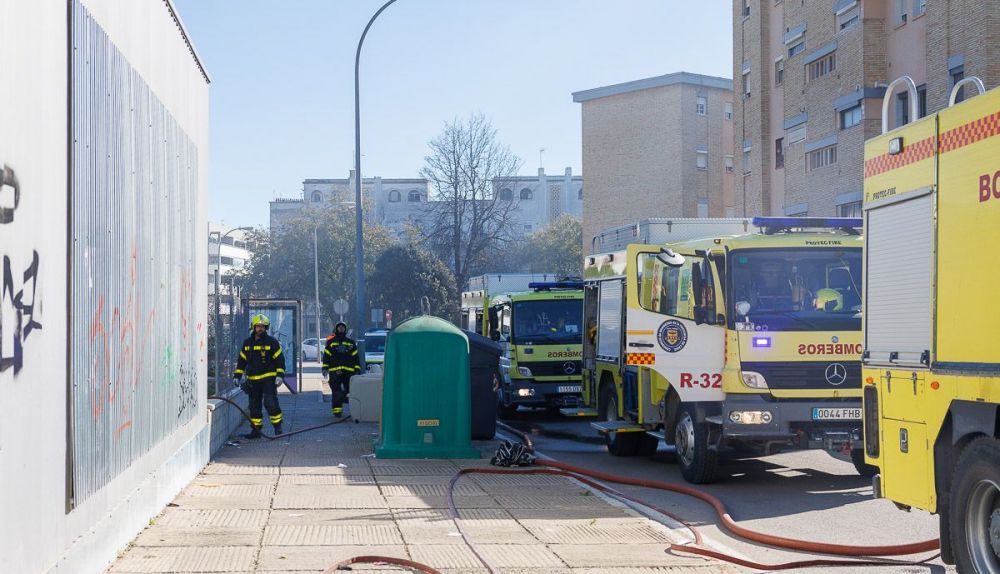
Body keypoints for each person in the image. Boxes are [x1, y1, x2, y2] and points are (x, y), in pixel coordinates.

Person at [233, 314, 285, 438]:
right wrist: (237, 376)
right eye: (258, 326)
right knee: (254, 406)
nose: (260, 329)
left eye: (263, 326)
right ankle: (256, 431)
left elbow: (280, 360)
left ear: (266, 327)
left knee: (270, 403)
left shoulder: (272, 342)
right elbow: (242, 361)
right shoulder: (247, 343)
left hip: (268, 379)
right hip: (253, 380)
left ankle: (278, 427)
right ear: (253, 327)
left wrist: (280, 375)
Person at [323, 321, 360, 416]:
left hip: (348, 371)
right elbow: (326, 356)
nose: (341, 329)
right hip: (334, 371)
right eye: (339, 328)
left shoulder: (350, 343)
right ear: (336, 329)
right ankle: (337, 412)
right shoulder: (331, 342)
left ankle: (349, 406)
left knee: (349, 391)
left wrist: (357, 369)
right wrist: (325, 368)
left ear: (345, 329)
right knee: (336, 391)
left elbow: (355, 357)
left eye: (342, 328)